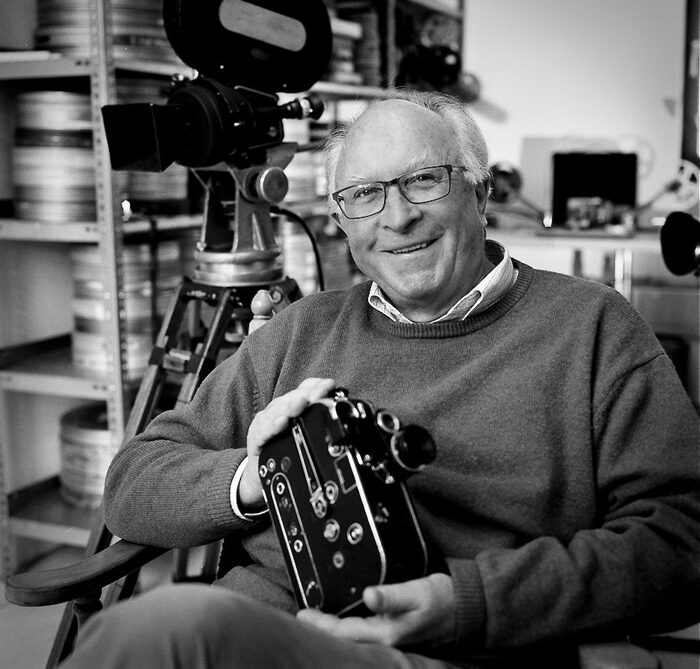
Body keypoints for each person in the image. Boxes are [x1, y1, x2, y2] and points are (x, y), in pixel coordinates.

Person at [63, 90, 700, 669]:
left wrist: (470, 602)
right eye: (364, 195)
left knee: (168, 630)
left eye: (423, 181)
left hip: (452, 650)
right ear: (341, 220)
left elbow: (681, 542)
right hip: (262, 630)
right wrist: (262, 476)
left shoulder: (592, 327)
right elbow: (131, 483)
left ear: (480, 195)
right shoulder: (301, 331)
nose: (395, 218)